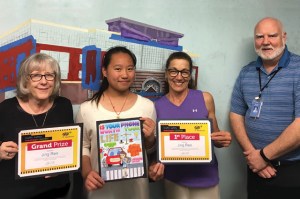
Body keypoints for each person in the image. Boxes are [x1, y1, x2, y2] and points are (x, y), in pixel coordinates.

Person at [76, 46, 164, 199]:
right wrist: (87, 173)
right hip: (99, 190)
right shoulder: (86, 109)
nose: (124, 74)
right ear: (105, 71)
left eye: (130, 69)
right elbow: (83, 147)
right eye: (118, 69)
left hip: (137, 190)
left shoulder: (147, 106)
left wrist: (150, 139)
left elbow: (151, 151)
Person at [230, 17, 300, 198]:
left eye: (272, 36)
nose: (266, 41)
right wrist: (254, 157)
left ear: (284, 37)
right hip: (255, 168)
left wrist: (263, 156)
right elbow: (236, 114)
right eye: (260, 36)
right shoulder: (246, 72)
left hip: (292, 170)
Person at [155, 51, 231, 199]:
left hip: (205, 178)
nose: (178, 77)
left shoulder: (205, 98)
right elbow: (155, 145)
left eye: (184, 72)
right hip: (173, 180)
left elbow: (216, 139)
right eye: (173, 71)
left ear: (190, 76)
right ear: (166, 74)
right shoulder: (157, 106)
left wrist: (223, 139)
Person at [0, 53, 76, 199]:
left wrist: (62, 164)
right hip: (15, 192)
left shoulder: (64, 106)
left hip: (57, 191)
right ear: (25, 80)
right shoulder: (5, 109)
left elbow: (69, 146)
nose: (44, 81)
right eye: (36, 75)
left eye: (49, 75)